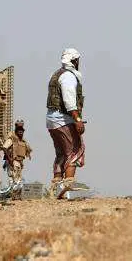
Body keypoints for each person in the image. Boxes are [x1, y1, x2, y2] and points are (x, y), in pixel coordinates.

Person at [46, 48, 85, 198]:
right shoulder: (68, 76)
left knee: (61, 153)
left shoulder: (57, 74)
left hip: (52, 120)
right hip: (64, 119)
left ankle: (55, 187)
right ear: (74, 61)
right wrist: (78, 120)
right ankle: (68, 188)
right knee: (74, 152)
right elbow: (69, 101)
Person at [2, 120, 32, 199]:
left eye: (22, 131)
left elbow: (27, 150)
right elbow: (4, 148)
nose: (20, 132)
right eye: (19, 131)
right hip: (13, 161)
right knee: (13, 180)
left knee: (18, 180)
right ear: (16, 130)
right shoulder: (12, 139)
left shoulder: (22, 141)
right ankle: (12, 196)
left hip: (19, 162)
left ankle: (16, 196)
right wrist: (10, 159)